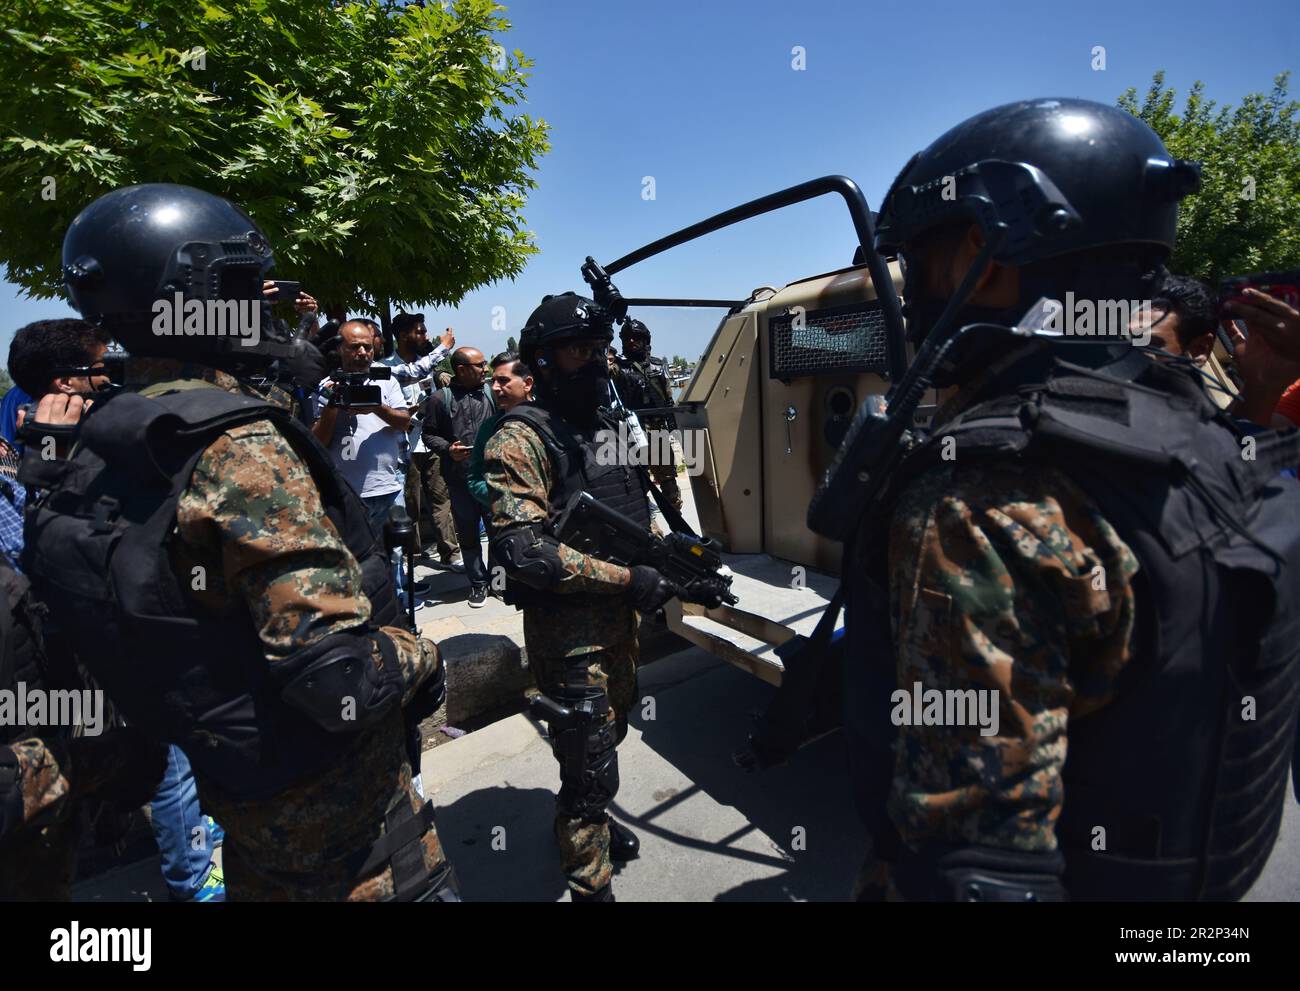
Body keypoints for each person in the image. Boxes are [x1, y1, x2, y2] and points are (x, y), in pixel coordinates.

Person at [835, 98, 1300, 901]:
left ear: (987, 247)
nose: (916, 290)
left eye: (927, 256)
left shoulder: (983, 501)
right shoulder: (1212, 434)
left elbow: (977, 871)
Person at [22, 183, 458, 901]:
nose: (260, 301)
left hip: (245, 808)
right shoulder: (235, 445)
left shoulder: (110, 437)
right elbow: (335, 676)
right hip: (354, 841)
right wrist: (422, 655)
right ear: (197, 292)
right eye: (241, 283)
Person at [483, 293, 695, 902]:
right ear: (544, 361)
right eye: (581, 350)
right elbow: (524, 552)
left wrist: (669, 560)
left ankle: (593, 828)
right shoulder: (519, 440)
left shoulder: (601, 425)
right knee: (588, 764)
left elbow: (629, 514)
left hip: (619, 622)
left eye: (600, 348)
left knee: (609, 736)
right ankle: (589, 882)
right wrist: (630, 580)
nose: (598, 361)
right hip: (570, 635)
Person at [380, 313, 461, 568]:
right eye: (420, 331)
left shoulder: (428, 367)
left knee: (441, 500)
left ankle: (451, 553)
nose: (425, 336)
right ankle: (411, 557)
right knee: (409, 507)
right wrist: (411, 414)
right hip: (405, 446)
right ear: (403, 335)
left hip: (431, 443)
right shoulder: (387, 368)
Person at [424, 346, 496, 607]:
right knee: (468, 533)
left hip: (492, 478)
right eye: (481, 365)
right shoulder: (439, 399)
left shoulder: (490, 393)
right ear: (462, 370)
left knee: (498, 532)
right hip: (459, 479)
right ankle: (478, 583)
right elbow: (428, 434)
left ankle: (498, 583)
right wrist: (448, 449)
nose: (485, 369)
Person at [609, 318, 681, 512]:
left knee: (670, 488)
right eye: (628, 338)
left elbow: (668, 401)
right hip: (632, 432)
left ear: (645, 340)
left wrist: (674, 427)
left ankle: (679, 529)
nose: (632, 342)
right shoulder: (618, 367)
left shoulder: (658, 367)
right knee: (636, 486)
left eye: (636, 338)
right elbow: (605, 372)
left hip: (658, 432)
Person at [468, 351, 533, 509]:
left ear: (527, 383)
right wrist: (503, 498)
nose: (495, 387)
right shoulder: (490, 427)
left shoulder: (550, 420)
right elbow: (475, 478)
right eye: (494, 381)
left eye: (503, 381)